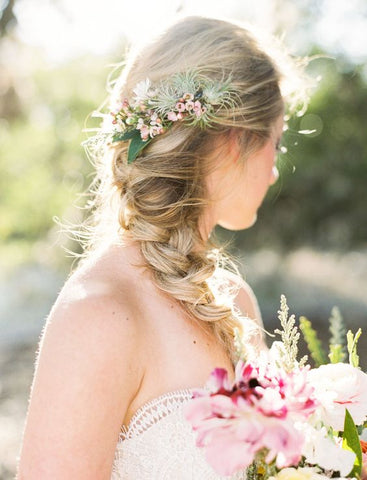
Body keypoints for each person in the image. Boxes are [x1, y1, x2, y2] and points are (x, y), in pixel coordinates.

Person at [16, 15, 307, 480]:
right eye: (277, 143)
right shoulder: (99, 314)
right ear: (235, 142)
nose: (275, 171)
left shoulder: (235, 302)